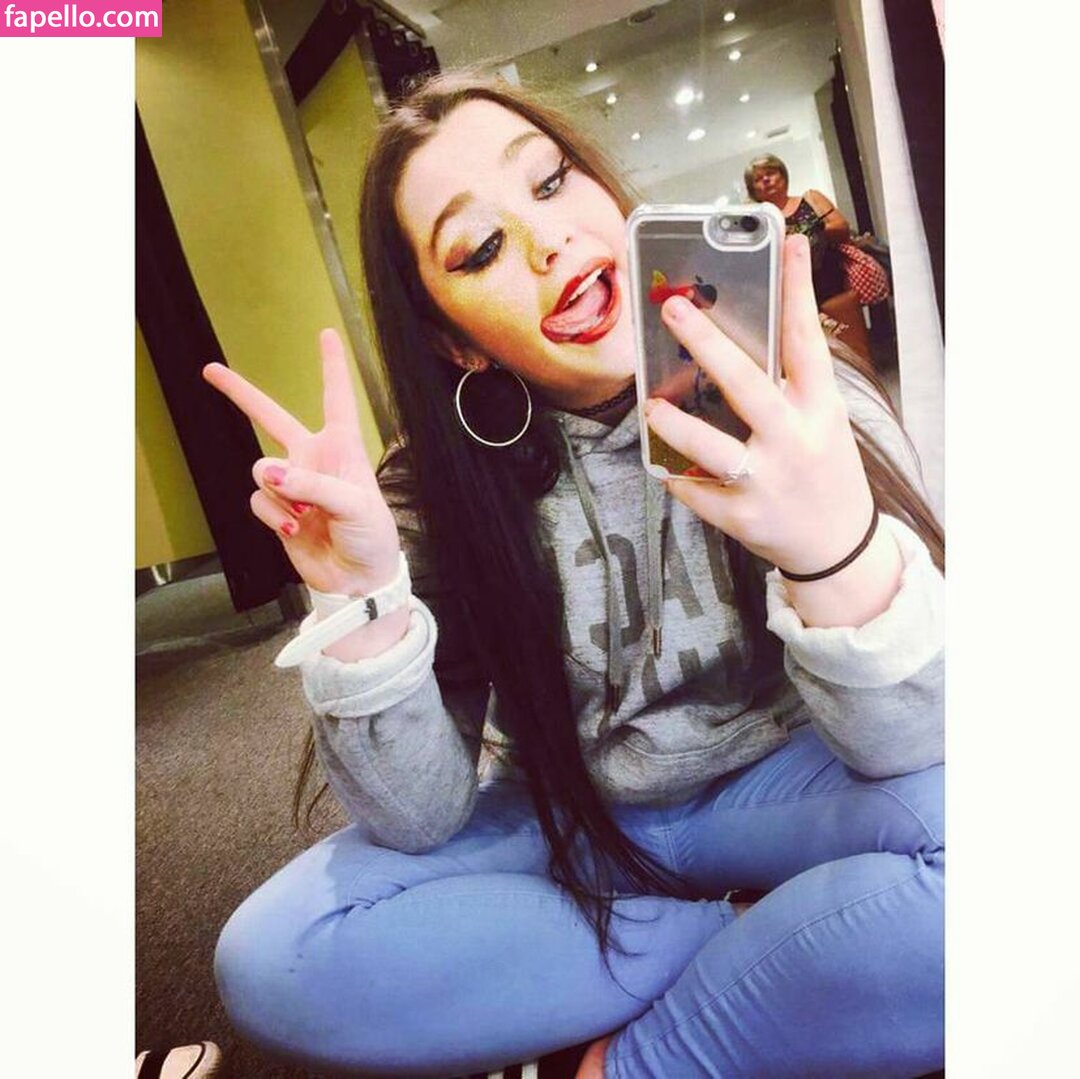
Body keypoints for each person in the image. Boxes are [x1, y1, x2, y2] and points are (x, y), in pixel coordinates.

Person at [206, 72, 944, 1078]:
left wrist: (831, 546)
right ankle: (762, 946)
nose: (547, 240)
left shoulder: (800, 395)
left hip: (782, 785)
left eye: (551, 182)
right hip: (575, 820)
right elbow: (418, 818)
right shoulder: (439, 489)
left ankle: (634, 1057)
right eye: (481, 247)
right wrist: (363, 601)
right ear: (455, 339)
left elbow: (917, 744)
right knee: (278, 953)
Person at [745, 153, 872, 359]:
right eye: (758, 179)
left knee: (852, 346)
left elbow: (841, 227)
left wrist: (807, 233)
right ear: (753, 190)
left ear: (783, 175)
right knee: (810, 354)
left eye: (770, 173)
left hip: (831, 286)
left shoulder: (811, 199)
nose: (766, 180)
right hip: (790, 295)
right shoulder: (756, 220)